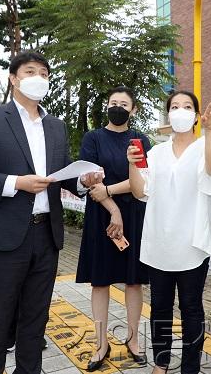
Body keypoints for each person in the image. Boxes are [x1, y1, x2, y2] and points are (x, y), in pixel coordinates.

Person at [0, 51, 102, 374]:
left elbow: (62, 175)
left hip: (46, 238)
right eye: (30, 71)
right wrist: (16, 183)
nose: (39, 77)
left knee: (35, 325)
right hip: (6, 239)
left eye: (44, 72)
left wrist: (82, 180)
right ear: (14, 78)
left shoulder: (56, 127)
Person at [127, 91, 211, 374]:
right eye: (174, 106)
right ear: (168, 114)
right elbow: (139, 191)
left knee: (191, 309)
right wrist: (131, 163)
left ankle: (190, 367)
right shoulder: (156, 153)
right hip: (159, 243)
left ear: (197, 115)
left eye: (187, 106)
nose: (180, 111)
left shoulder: (205, 146)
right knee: (160, 308)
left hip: (192, 245)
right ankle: (160, 362)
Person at [76, 86, 150, 370]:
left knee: (134, 281)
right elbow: (89, 180)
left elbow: (141, 181)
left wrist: (109, 190)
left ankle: (133, 339)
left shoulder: (140, 140)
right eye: (112, 102)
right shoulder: (93, 138)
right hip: (101, 215)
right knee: (100, 282)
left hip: (135, 215)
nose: (117, 107)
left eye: (123, 103)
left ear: (133, 110)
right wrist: (113, 209)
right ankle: (100, 343)